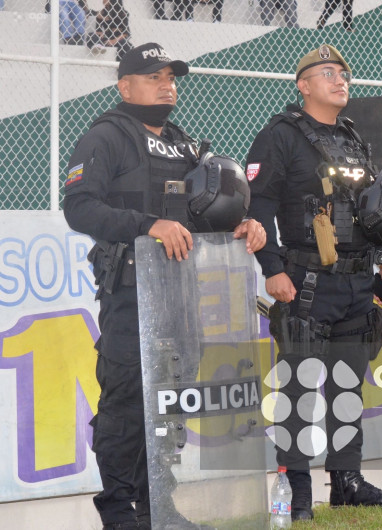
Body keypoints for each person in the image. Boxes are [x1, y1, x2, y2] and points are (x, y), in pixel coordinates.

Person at [63, 42, 266, 530]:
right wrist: (146, 225)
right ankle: (118, 511)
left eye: (171, 78)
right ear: (124, 86)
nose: (166, 85)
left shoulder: (187, 145)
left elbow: (208, 211)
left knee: (171, 402)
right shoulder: (106, 136)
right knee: (126, 402)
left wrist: (241, 224)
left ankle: (157, 505)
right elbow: (79, 208)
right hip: (130, 293)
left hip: (182, 292)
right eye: (154, 77)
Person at [245, 44, 382, 521]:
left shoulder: (353, 137)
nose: (340, 81)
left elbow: (370, 209)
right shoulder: (280, 136)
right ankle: (297, 492)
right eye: (328, 73)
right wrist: (272, 269)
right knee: (298, 390)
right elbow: (258, 207)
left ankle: (347, 482)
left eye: (344, 74)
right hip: (306, 282)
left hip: (358, 283)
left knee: (348, 386)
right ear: (303, 85)